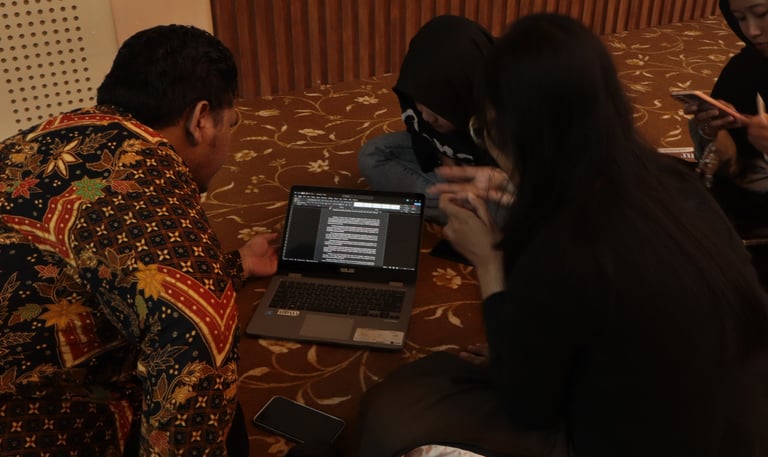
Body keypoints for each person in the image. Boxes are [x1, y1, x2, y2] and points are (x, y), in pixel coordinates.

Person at [357, 13, 768, 457]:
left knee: (394, 408)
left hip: (644, 438)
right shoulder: (669, 176)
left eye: (484, 130)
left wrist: (490, 260)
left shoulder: (560, 245)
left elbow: (528, 408)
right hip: (744, 420)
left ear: (516, 134)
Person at [0, 25, 278, 456]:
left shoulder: (43, 138)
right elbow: (192, 371)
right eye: (232, 124)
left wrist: (235, 263)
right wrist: (209, 276)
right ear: (201, 119)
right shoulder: (158, 200)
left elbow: (104, 256)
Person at [357, 15, 499, 223]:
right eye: (419, 103)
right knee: (373, 155)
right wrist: (439, 154)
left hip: (496, 183)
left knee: (511, 211)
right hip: (457, 178)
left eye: (437, 108)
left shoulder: (505, 112)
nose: (425, 116)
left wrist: (492, 179)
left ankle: (465, 213)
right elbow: (419, 132)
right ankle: (467, 213)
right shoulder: (418, 88)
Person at [684, 0, 768, 284]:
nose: (752, 31)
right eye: (741, 18)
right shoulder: (745, 68)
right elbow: (727, 166)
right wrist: (710, 130)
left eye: (762, 14)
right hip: (735, 209)